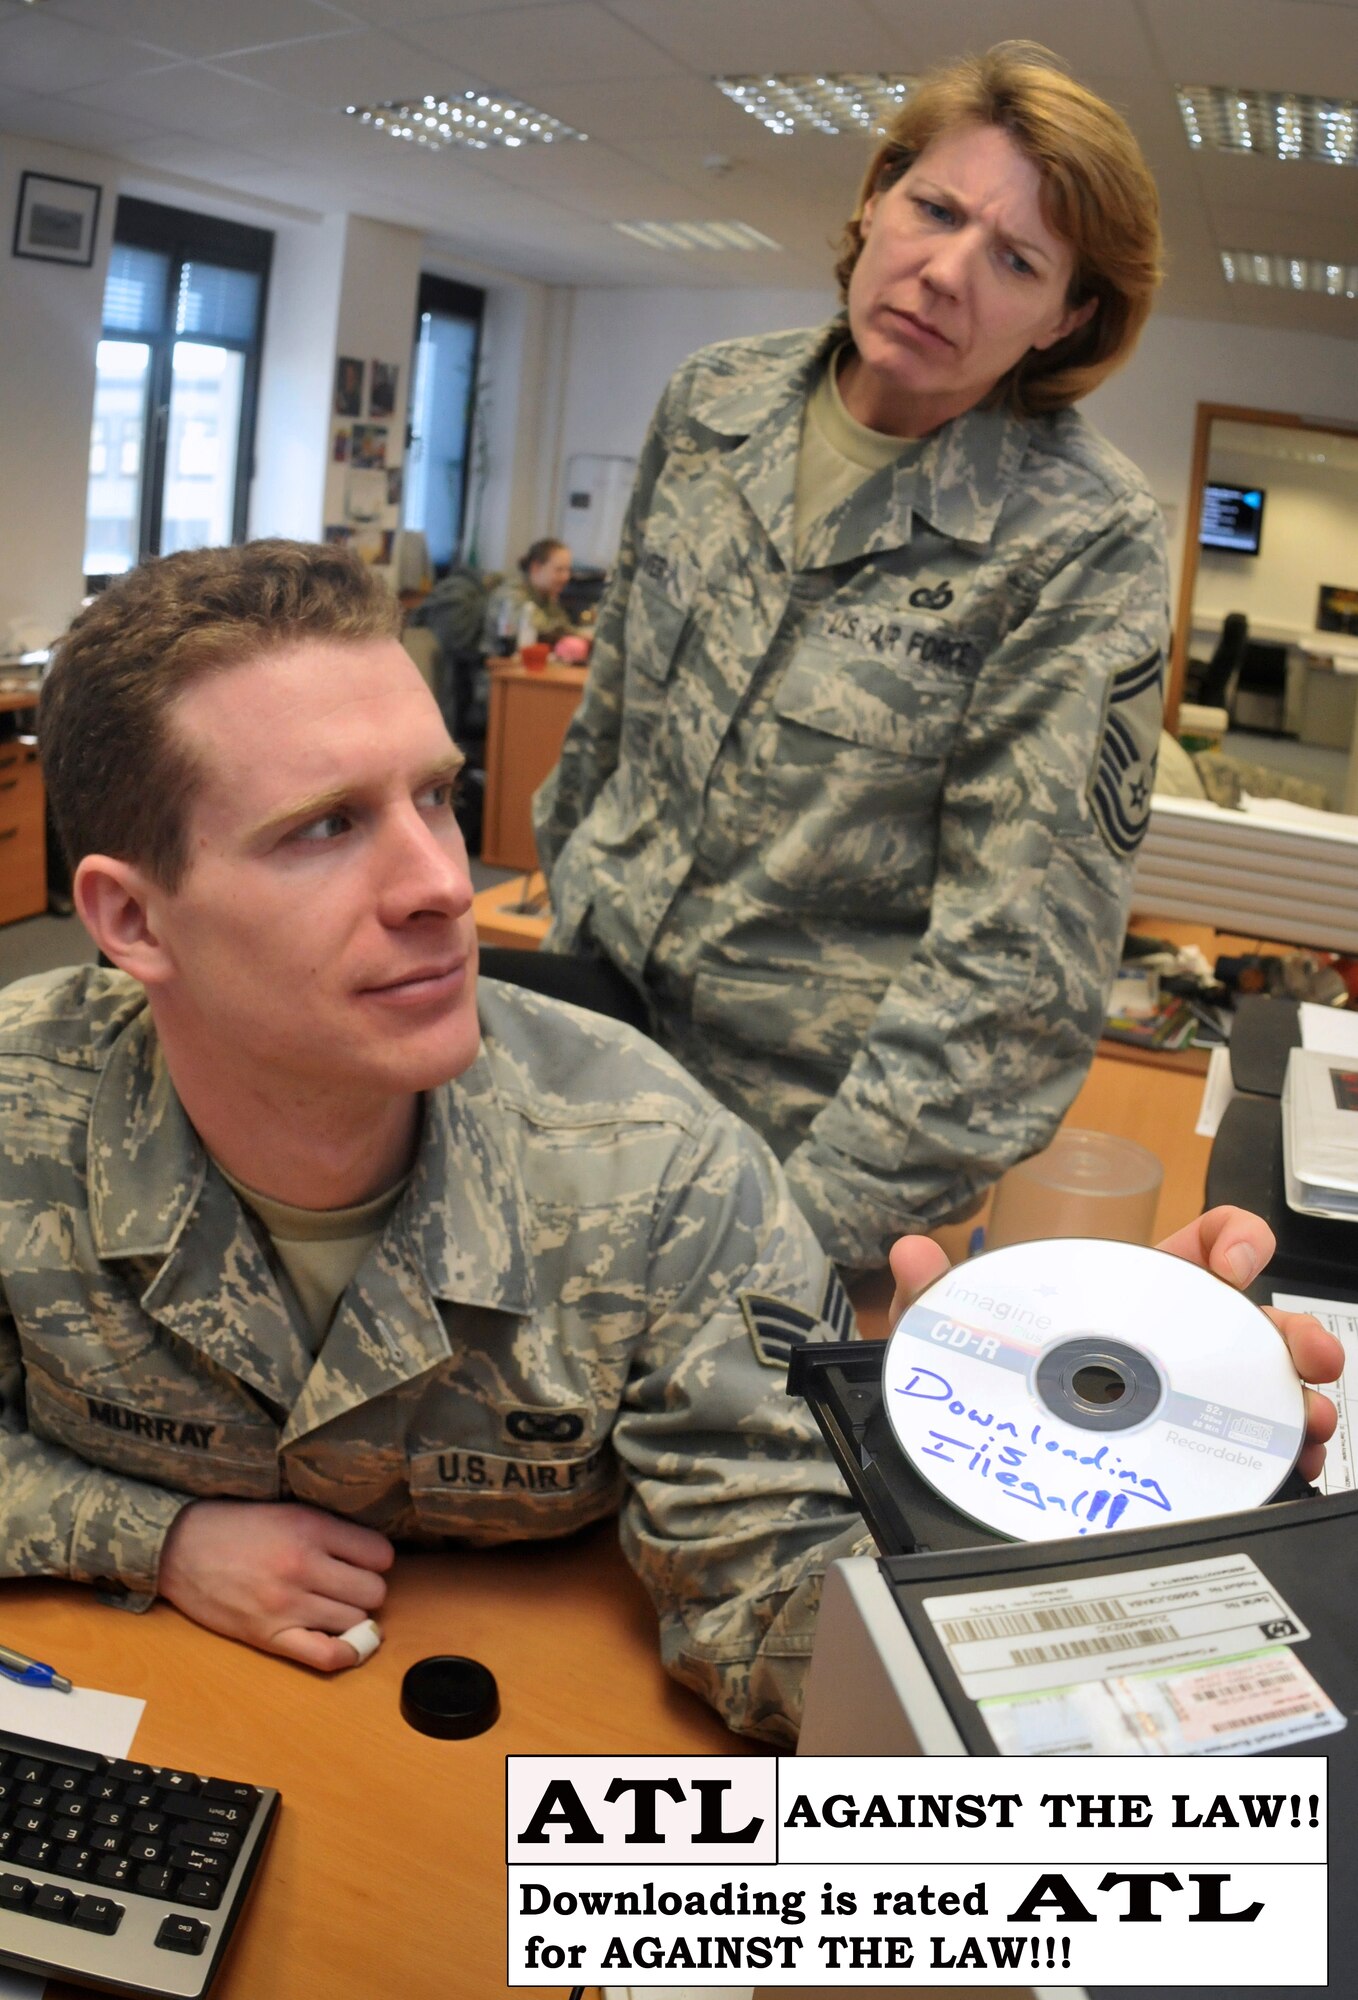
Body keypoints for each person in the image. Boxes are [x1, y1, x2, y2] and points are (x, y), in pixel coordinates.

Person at [0, 542, 1339, 1748]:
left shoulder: (660, 1174)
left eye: (434, 799)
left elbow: (770, 1602)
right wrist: (159, 1539)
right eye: (326, 827)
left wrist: (1062, 1551)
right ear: (130, 923)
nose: (435, 887)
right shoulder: (19, 1109)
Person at [533, 44, 1171, 1276]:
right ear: (875, 197)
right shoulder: (711, 403)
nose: (945, 272)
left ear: (1067, 317)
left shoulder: (1078, 536)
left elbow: (1014, 976)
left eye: (1016, 260)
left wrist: (784, 1246)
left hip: (805, 1148)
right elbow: (607, 725)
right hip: (579, 1044)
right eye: (934, 209)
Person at [482, 537, 587, 655]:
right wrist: (584, 635)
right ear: (536, 568)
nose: (566, 577)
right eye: (559, 570)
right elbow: (542, 629)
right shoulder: (512, 594)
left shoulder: (545, 597)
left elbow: (562, 626)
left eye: (568, 570)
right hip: (494, 668)